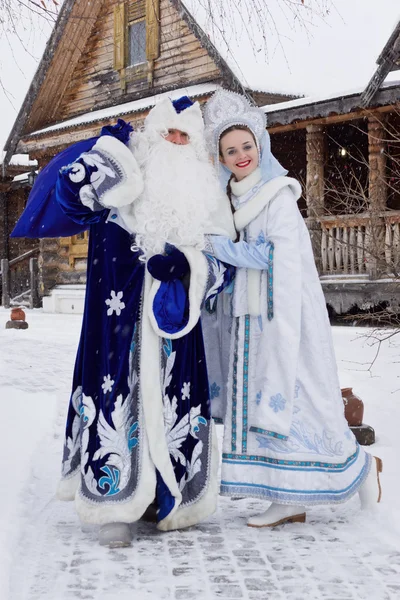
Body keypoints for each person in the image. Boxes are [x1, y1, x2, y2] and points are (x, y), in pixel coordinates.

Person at [13, 95, 273, 547]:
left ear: (195, 147)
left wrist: (188, 268)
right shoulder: (121, 187)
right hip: (118, 327)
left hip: (177, 330)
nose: (174, 141)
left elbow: (224, 266)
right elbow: (70, 200)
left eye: (184, 136)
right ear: (149, 139)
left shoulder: (208, 200)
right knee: (118, 402)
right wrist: (104, 155)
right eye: (166, 133)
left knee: (171, 407)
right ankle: (112, 504)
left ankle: (169, 500)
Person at [202, 89, 383, 528]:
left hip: (282, 319)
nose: (241, 154)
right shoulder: (231, 199)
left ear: (259, 147)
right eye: (230, 150)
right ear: (220, 158)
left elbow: (273, 258)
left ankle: (355, 468)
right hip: (250, 320)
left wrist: (222, 248)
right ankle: (294, 494)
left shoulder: (277, 195)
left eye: (246, 146)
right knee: (262, 405)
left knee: (302, 404)